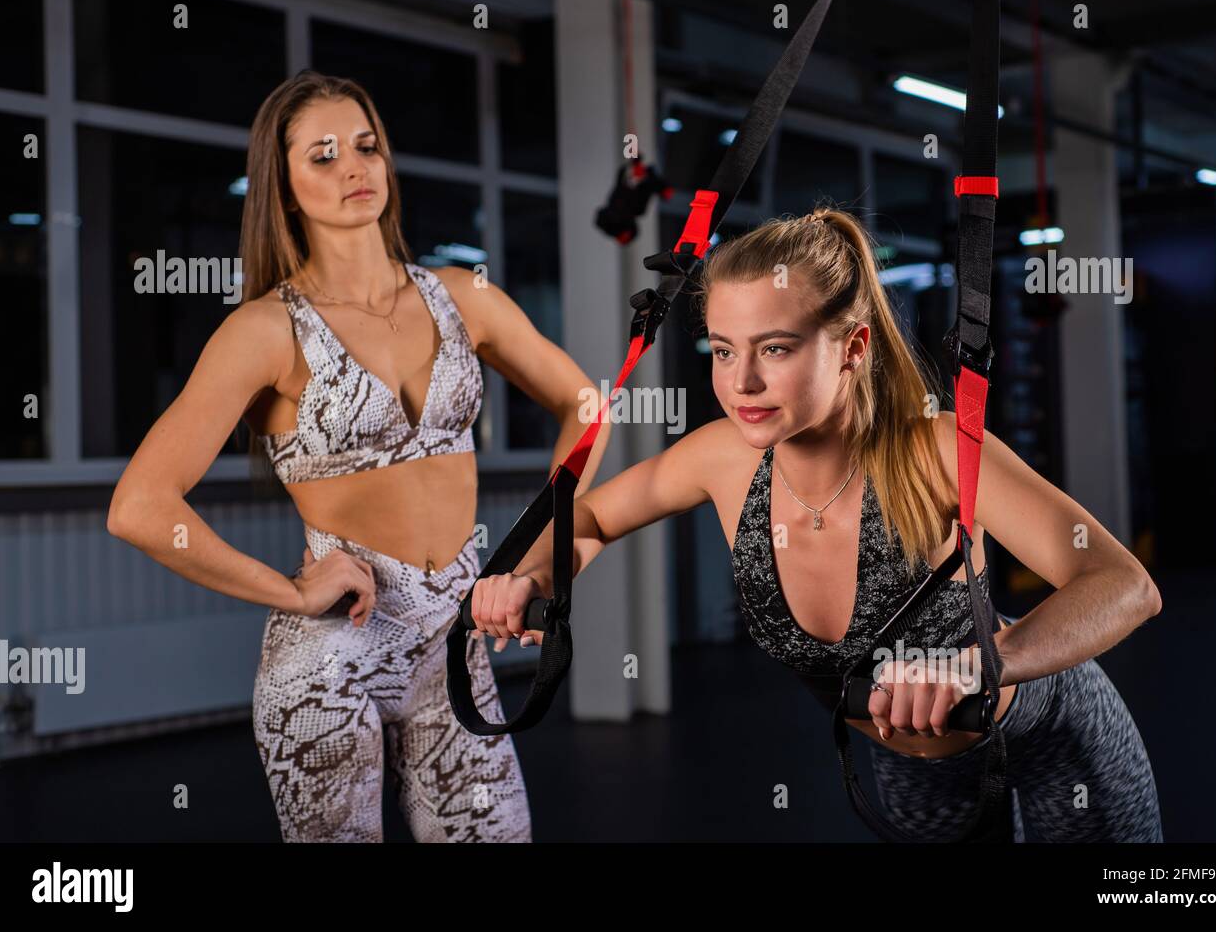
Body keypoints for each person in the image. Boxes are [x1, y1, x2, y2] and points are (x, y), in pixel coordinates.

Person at [468, 207, 1165, 842]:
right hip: (912, 768)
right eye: (722, 350)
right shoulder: (721, 459)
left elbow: (1124, 583)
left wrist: (979, 663)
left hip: (1053, 734)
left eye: (775, 348)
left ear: (854, 347)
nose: (741, 383)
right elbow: (585, 514)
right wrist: (534, 573)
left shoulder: (937, 449)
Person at [107, 71, 610, 842]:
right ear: (285, 188)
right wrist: (288, 589)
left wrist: (536, 561)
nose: (353, 167)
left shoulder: (460, 296)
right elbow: (140, 506)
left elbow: (585, 407)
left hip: (456, 640)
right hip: (334, 653)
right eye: (324, 155)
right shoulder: (263, 331)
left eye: (367, 147)